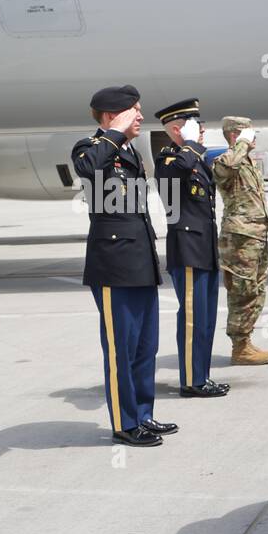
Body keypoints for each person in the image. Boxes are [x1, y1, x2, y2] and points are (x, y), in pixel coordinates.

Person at [71, 85, 176, 447]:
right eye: (134, 111)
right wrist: (114, 132)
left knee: (146, 347)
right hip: (114, 265)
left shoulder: (128, 152)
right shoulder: (90, 148)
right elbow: (87, 169)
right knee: (121, 349)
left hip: (140, 261)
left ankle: (143, 414)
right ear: (109, 116)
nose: (141, 117)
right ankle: (124, 423)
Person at [153, 98, 229, 399]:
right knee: (192, 318)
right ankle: (191, 381)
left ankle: (201, 375)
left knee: (206, 318)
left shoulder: (194, 160)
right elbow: (175, 180)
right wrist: (188, 143)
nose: (201, 130)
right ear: (176, 129)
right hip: (187, 250)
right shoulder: (170, 161)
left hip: (205, 249)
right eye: (193, 125)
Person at [213, 116, 268, 365]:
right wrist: (240, 144)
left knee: (256, 290)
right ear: (234, 135)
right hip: (240, 239)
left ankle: (246, 343)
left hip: (255, 237)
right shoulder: (226, 161)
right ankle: (239, 348)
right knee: (242, 291)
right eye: (247, 134)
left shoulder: (248, 162)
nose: (253, 138)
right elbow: (225, 168)